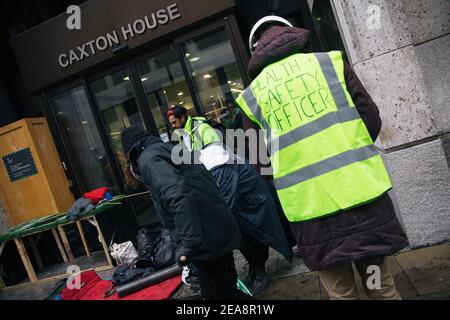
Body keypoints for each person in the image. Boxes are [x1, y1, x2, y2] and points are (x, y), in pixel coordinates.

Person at [235, 15, 409, 300]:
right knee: (380, 288)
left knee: (342, 295)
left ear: (255, 48)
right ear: (292, 34)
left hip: (314, 219)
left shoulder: (252, 96)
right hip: (362, 203)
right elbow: (371, 119)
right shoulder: (330, 63)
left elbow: (260, 164)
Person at [166, 105, 295, 295]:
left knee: (248, 231)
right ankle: (255, 269)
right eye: (171, 124)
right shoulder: (186, 135)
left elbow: (219, 166)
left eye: (175, 122)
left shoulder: (203, 132)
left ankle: (259, 270)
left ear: (184, 116)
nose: (174, 127)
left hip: (245, 192)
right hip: (235, 186)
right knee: (240, 230)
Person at [120, 126, 250, 300]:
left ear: (131, 153)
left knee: (224, 294)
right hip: (212, 226)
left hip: (206, 235)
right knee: (214, 291)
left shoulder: (148, 159)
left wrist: (189, 242)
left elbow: (177, 195)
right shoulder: (164, 149)